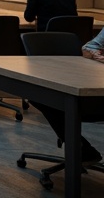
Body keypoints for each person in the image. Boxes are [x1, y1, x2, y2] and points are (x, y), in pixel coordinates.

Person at [33, 27, 104, 166]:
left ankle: (82, 149)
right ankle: (81, 148)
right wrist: (98, 55)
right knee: (40, 94)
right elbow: (89, 48)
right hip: (92, 93)